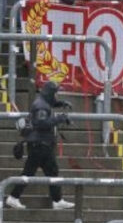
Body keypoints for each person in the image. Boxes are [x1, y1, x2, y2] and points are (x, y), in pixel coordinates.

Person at [5, 81, 75, 210]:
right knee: (30, 173)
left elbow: (50, 104)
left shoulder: (43, 102)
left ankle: (57, 200)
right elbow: (41, 123)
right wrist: (59, 119)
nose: (56, 96)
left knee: (50, 171)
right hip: (40, 145)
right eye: (55, 93)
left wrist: (61, 104)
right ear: (50, 93)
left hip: (42, 144)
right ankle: (14, 197)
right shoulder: (41, 106)